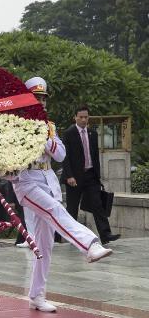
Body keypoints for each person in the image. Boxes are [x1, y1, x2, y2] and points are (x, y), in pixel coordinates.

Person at [10, 77, 113, 313]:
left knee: (45, 246)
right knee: (57, 212)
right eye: (37, 98)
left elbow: (60, 155)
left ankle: (37, 294)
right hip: (26, 182)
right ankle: (89, 244)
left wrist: (45, 138)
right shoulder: (14, 125)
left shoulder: (49, 126)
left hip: (47, 181)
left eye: (44, 98)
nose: (42, 102)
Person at [61, 105, 120, 245]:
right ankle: (71, 237)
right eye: (80, 117)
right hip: (74, 177)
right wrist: (69, 175)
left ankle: (106, 235)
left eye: (86, 117)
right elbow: (65, 156)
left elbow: (95, 155)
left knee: (97, 204)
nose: (83, 120)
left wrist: (97, 176)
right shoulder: (69, 133)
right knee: (72, 208)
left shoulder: (92, 133)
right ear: (75, 117)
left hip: (91, 175)